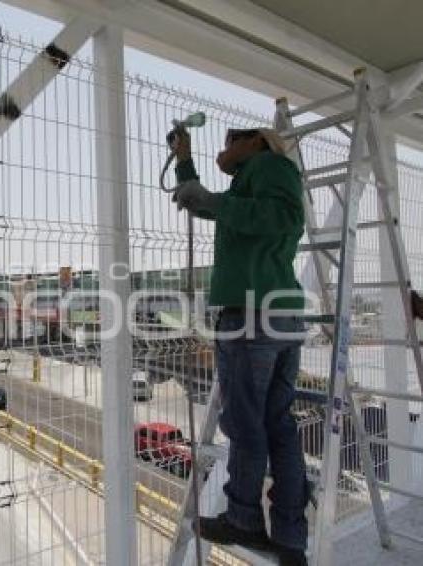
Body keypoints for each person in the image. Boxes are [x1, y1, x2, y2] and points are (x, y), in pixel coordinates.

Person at [171, 127, 308, 565]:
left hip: (251, 315)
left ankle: (244, 519)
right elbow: (220, 207)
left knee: (246, 423)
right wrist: (186, 162)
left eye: (234, 138)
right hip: (275, 314)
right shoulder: (253, 180)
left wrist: (213, 200)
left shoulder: (270, 166)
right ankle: (289, 538)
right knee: (278, 425)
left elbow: (283, 218)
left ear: (258, 143)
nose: (225, 144)